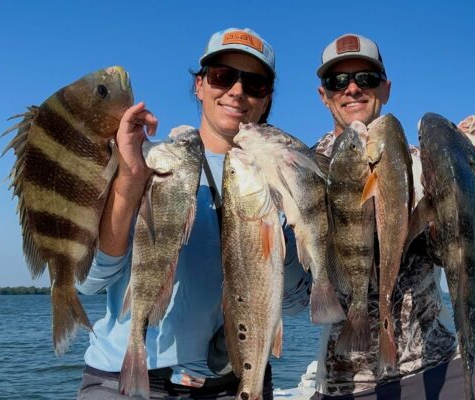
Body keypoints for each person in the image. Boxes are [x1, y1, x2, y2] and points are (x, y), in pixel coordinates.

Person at [76, 27, 311, 400]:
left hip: (239, 380)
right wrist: (129, 182)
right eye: (222, 76)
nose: (237, 91)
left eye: (255, 83)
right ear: (200, 85)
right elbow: (88, 280)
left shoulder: (282, 177)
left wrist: (277, 227)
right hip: (127, 379)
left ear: (266, 99)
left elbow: (297, 303)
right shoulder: (150, 159)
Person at [311, 33, 475, 400]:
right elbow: (298, 291)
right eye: (338, 81)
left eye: (367, 79)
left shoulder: (423, 161)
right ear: (323, 94)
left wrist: (462, 194)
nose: (353, 89)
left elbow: (450, 254)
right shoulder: (307, 169)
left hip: (438, 360)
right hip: (346, 380)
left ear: (386, 89)